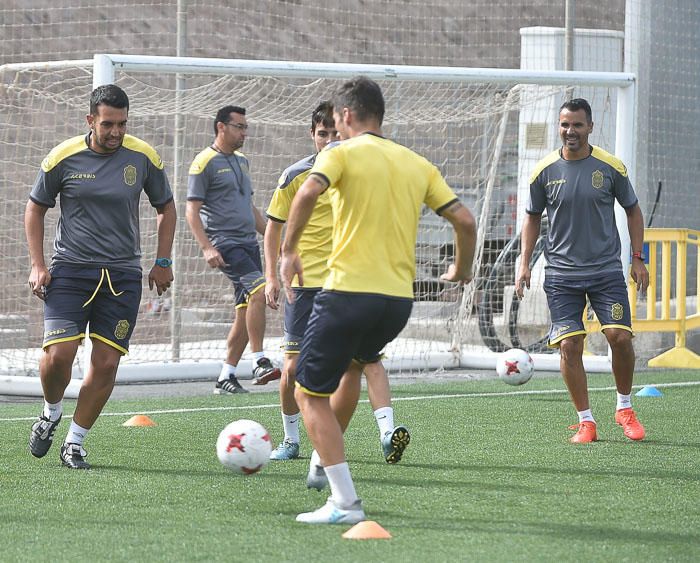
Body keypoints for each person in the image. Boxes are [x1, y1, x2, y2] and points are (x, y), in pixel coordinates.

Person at [280, 77, 477, 524]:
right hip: (396, 303)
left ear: (346, 116)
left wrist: (289, 252)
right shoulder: (416, 163)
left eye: (335, 121)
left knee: (307, 393)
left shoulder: (339, 153)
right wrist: (461, 270)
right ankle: (321, 461)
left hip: (348, 293)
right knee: (355, 367)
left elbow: (308, 192)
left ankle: (344, 502)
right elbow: (465, 220)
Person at [26, 84, 176, 469]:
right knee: (59, 356)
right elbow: (35, 208)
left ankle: (74, 442)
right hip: (71, 270)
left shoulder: (143, 157)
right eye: (108, 124)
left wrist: (163, 260)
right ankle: (50, 411)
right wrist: (38, 265)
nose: (116, 132)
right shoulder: (63, 156)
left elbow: (166, 207)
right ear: (90, 120)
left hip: (123, 275)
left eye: (122, 124)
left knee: (107, 364)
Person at [264, 101, 409, 467]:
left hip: (347, 282)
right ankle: (290, 437)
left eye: (335, 133)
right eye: (322, 134)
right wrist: (271, 275)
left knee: (367, 359)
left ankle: (387, 433)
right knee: (293, 368)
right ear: (312, 136)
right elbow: (273, 228)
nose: (329, 140)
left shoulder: (358, 174)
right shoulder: (296, 176)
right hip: (304, 283)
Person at [516, 97, 649, 445]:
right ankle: (586, 422)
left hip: (606, 271)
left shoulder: (610, 167)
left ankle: (624, 407)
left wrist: (638, 257)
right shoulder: (543, 171)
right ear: (558, 127)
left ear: (590, 127)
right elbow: (531, 217)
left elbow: (633, 211)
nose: (570, 131)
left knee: (619, 337)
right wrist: (524, 262)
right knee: (570, 347)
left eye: (577, 125)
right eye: (564, 124)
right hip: (561, 275)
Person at [186, 105, 280, 394]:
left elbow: (249, 208)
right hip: (225, 243)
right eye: (239, 126)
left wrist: (276, 237)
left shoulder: (242, 161)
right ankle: (259, 360)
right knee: (258, 291)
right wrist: (206, 247)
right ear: (221, 127)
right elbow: (192, 209)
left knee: (244, 312)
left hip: (249, 244)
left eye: (245, 127)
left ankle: (225, 376)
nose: (244, 132)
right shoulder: (204, 163)